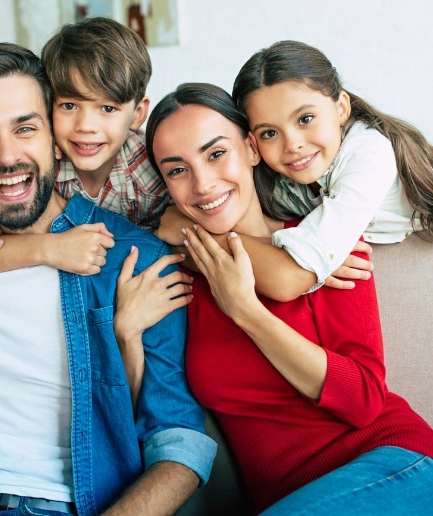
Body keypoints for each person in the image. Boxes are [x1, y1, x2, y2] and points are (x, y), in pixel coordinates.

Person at [0, 44, 216, 516]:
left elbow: (178, 442)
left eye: (24, 128)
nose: (6, 155)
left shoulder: (136, 260)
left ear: (54, 139)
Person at [123, 82, 433, 514]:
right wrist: (126, 335)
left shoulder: (321, 245)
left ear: (251, 149)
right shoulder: (179, 272)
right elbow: (149, 417)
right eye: (178, 170)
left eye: (216, 154)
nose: (204, 183)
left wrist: (247, 311)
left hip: (394, 465)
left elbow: (364, 400)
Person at [0, 16, 170, 276]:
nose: (85, 126)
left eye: (107, 108)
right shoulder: (28, 164)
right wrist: (47, 248)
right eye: (69, 106)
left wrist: (176, 223)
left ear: (138, 114)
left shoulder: (151, 164)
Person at [231, 39, 433, 291]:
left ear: (341, 108)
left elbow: (291, 275)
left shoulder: (369, 155)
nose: (292, 145)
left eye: (305, 119)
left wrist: (315, 260)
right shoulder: (281, 172)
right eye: (269, 133)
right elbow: (259, 223)